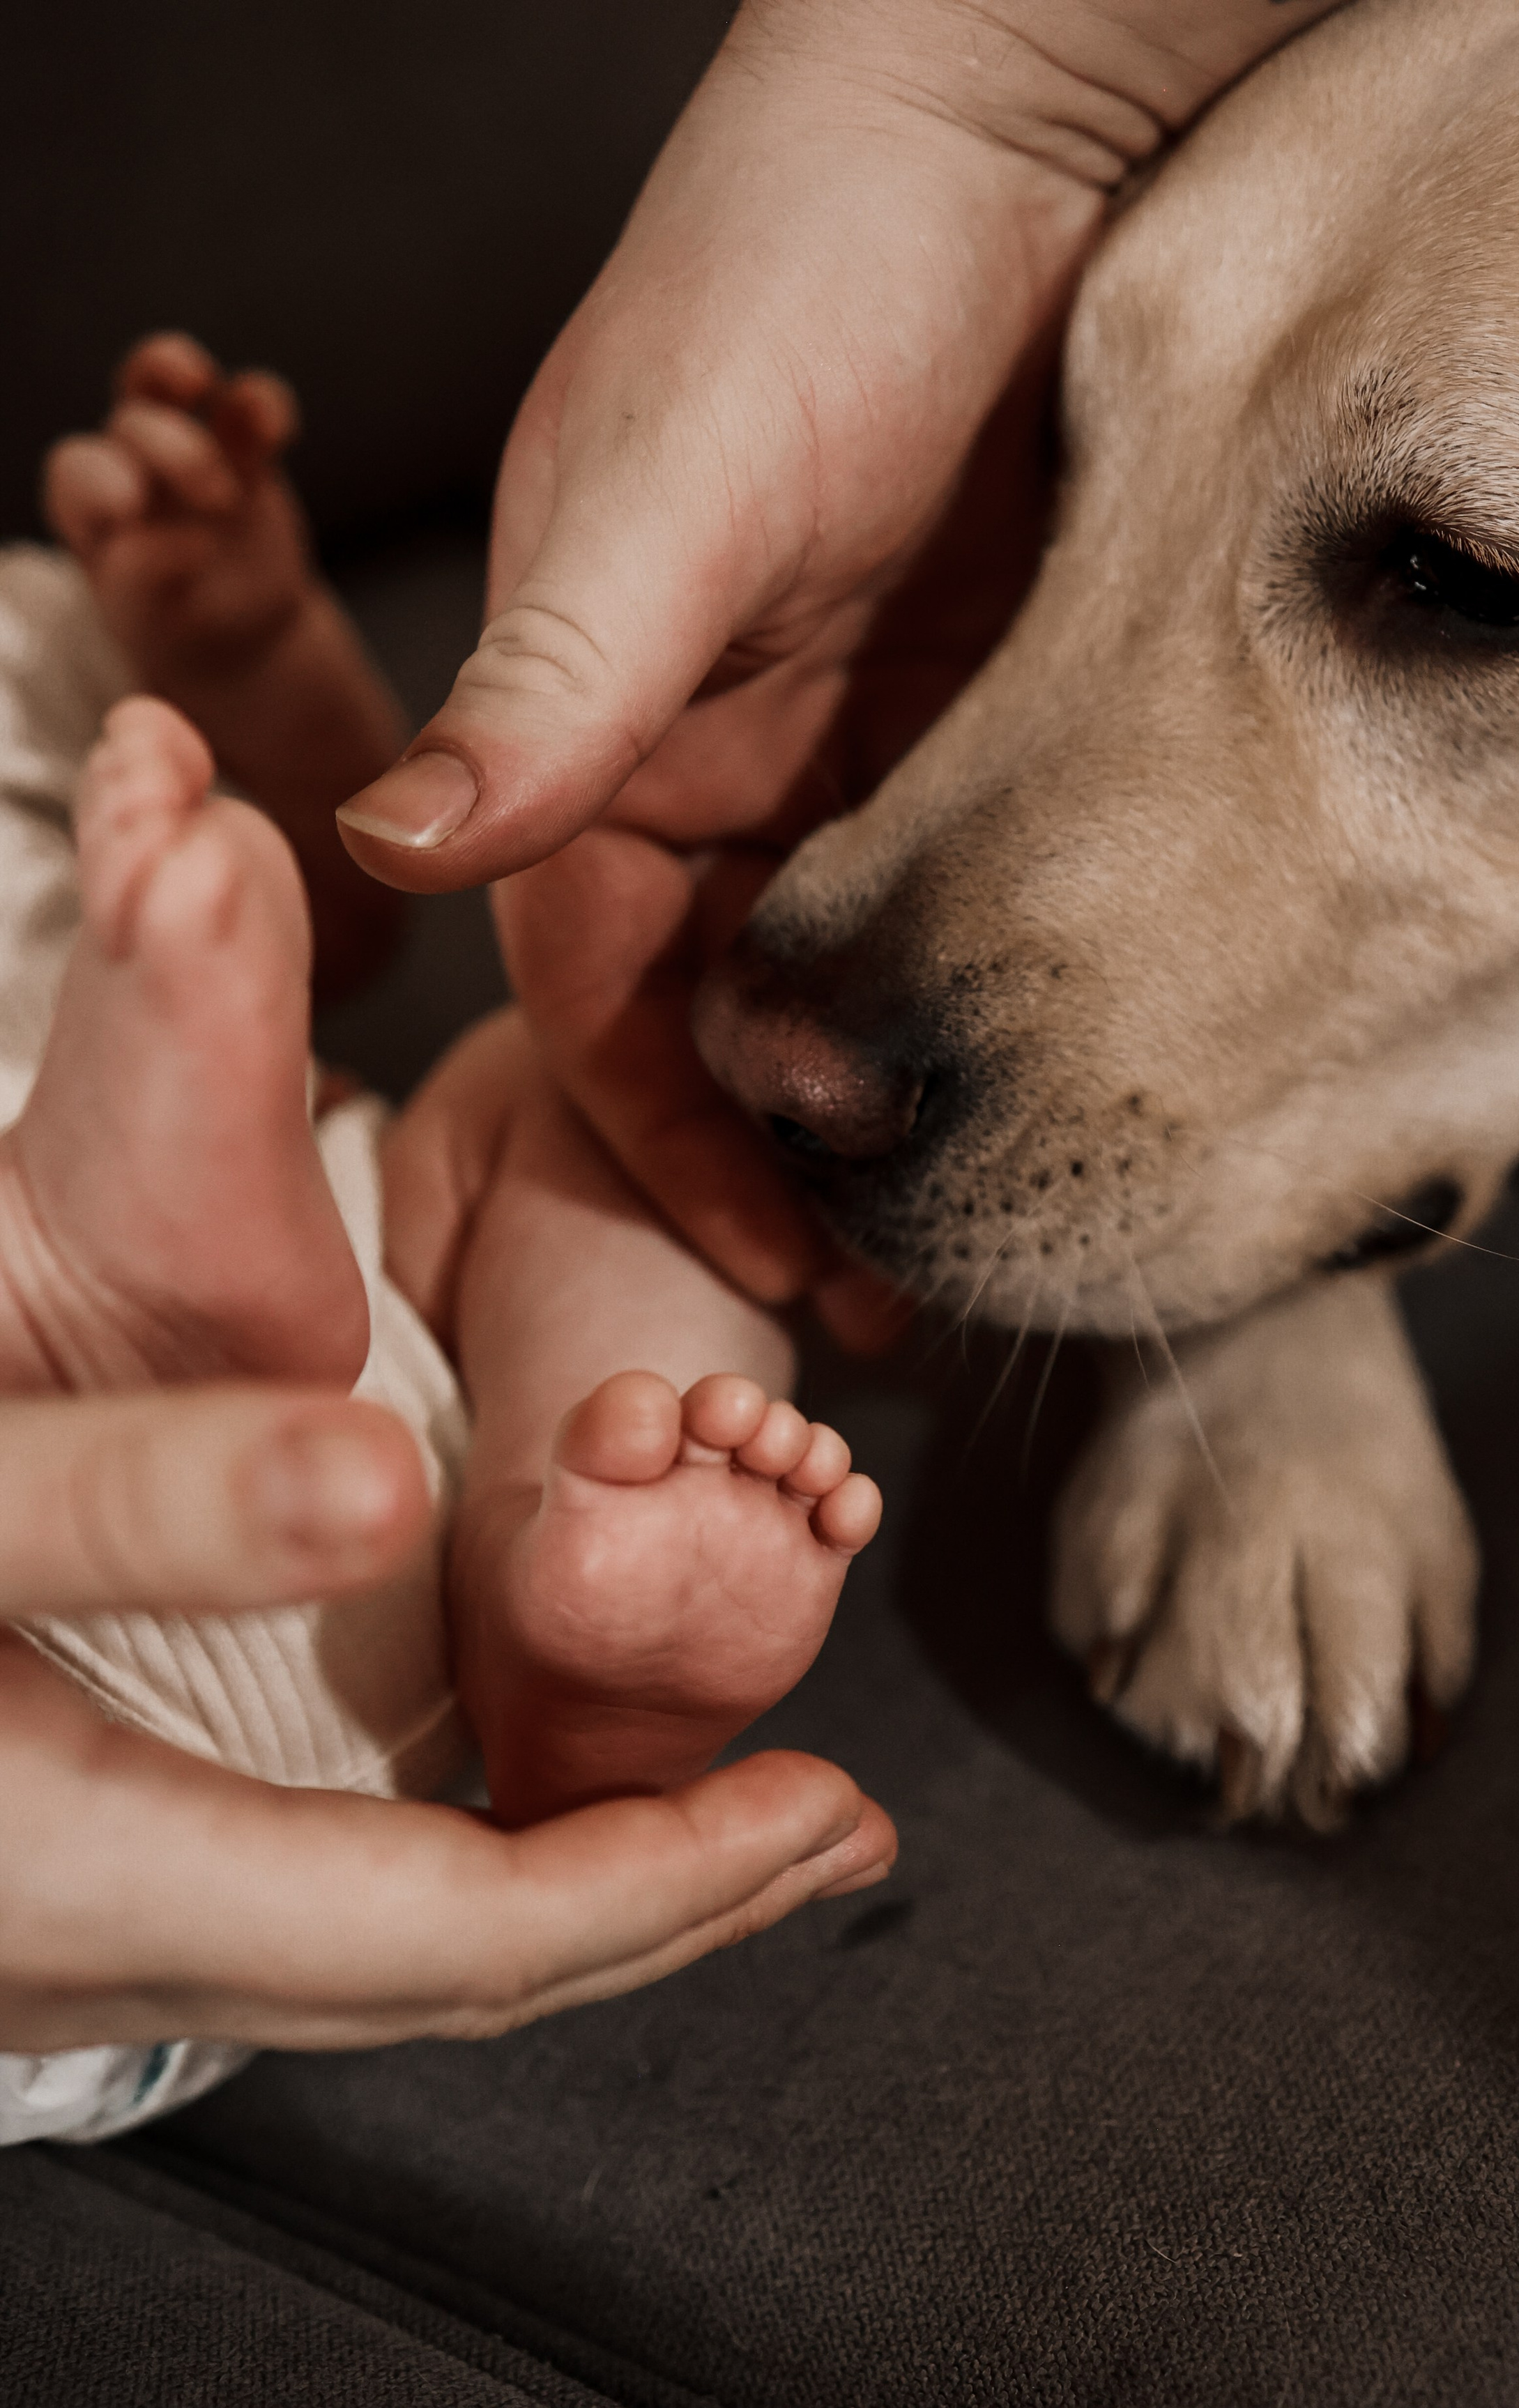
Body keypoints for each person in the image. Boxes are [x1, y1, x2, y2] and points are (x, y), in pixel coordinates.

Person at [3, 0, 1343, 2066]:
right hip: (115, 1830)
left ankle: (576, 1613)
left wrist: (244, 646)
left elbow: (340, 908)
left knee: (566, 1116)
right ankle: (132, 1298)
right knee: (514, 1111)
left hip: (352, 1447)